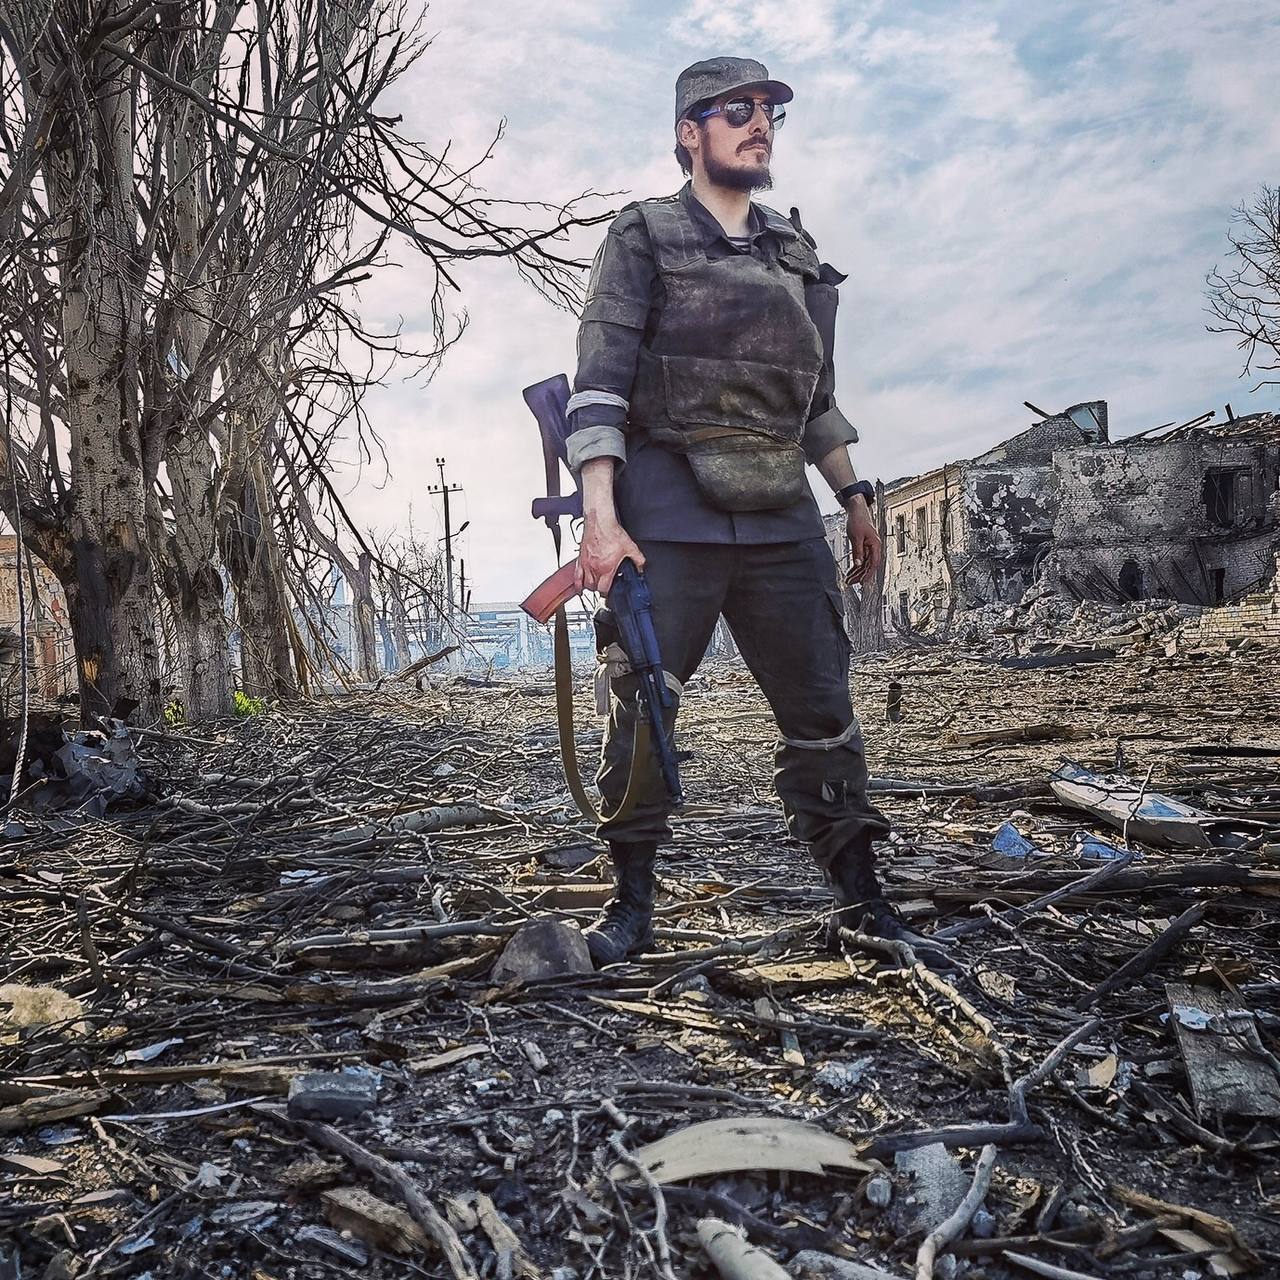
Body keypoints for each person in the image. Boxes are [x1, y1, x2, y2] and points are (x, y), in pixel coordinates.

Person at [565, 56, 949, 969]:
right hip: (668, 512)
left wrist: (851, 493)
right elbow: (599, 390)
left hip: (781, 516)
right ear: (689, 132)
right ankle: (631, 907)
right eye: (735, 110)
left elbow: (813, 398)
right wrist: (601, 520)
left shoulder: (796, 255)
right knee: (645, 702)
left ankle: (861, 898)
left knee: (824, 707)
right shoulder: (645, 237)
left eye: (770, 110)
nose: (759, 123)